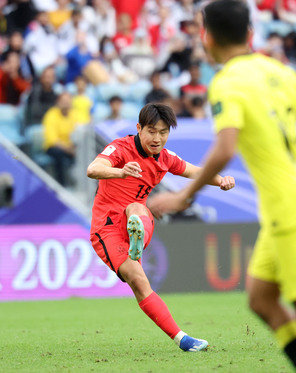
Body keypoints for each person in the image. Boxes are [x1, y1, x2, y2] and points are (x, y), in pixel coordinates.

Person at [148, 1, 296, 372]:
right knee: (262, 298)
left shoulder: (226, 83)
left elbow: (224, 149)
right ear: (250, 34)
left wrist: (184, 195)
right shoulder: (280, 72)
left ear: (208, 38)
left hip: (291, 207)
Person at [86, 103, 235, 352]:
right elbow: (93, 169)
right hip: (107, 228)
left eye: (163, 132)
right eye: (152, 131)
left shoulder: (165, 158)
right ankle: (183, 339)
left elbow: (194, 171)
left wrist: (221, 180)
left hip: (138, 222)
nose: (157, 138)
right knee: (139, 281)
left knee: (139, 208)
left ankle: (136, 236)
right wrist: (121, 172)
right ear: (139, 129)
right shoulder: (120, 148)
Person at [43, 92, 81, 185]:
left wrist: (73, 148)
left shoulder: (75, 114)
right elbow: (53, 140)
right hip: (55, 147)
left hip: (72, 148)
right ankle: (61, 185)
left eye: (68, 101)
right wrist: (69, 149)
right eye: (63, 101)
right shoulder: (51, 114)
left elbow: (81, 131)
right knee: (60, 156)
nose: (66, 103)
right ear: (58, 102)